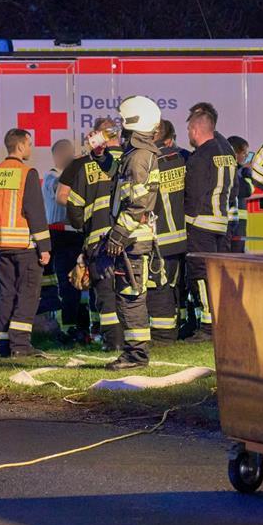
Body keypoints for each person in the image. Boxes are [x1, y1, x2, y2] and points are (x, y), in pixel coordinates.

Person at [104, 96, 162, 371]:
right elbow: (118, 180)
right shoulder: (136, 154)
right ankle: (133, 352)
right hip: (134, 237)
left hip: (133, 239)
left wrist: (118, 234)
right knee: (128, 294)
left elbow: (139, 204)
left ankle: (137, 355)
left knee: (131, 296)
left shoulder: (139, 157)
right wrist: (101, 157)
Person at [0, 128, 51, 357]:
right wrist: (45, 247)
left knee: (7, 294)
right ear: (21, 146)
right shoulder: (26, 173)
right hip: (24, 245)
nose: (30, 149)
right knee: (28, 294)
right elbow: (35, 212)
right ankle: (20, 345)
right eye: (29, 144)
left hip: (1, 245)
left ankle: (3, 344)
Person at [64, 117, 124, 350]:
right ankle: (134, 339)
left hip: (98, 241)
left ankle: (113, 342)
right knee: (130, 291)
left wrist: (82, 225)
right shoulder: (131, 159)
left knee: (106, 293)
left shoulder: (87, 166)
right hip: (130, 238)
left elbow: (74, 208)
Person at [182, 102, 237, 341]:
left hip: (200, 223)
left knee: (201, 273)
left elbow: (192, 192)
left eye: (189, 130)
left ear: (195, 130)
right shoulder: (227, 152)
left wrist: (187, 218)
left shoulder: (199, 157)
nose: (188, 134)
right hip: (222, 222)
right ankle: (222, 320)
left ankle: (207, 326)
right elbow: (234, 189)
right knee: (218, 274)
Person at [146, 119, 187, 345]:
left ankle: (163, 335)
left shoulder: (150, 161)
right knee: (174, 285)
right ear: (170, 140)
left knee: (158, 285)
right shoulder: (183, 158)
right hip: (180, 236)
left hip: (159, 236)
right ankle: (176, 327)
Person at [44, 138, 88, 343]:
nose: (70, 157)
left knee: (81, 281)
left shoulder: (73, 175)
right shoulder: (52, 176)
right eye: (67, 153)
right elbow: (60, 192)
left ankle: (83, 325)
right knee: (67, 282)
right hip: (61, 236)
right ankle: (68, 328)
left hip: (76, 234)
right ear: (58, 155)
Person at [226, 136, 253, 253]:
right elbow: (246, 190)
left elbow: (249, 190)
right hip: (231, 222)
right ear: (235, 154)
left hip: (239, 222)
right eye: (244, 154)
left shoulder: (241, 171)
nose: (246, 157)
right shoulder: (234, 171)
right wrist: (245, 173)